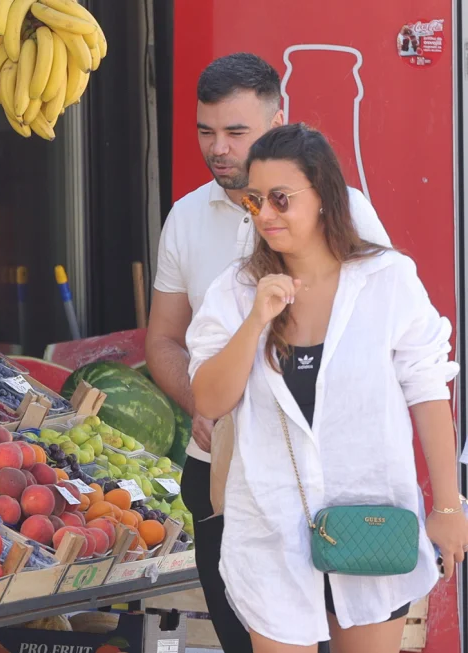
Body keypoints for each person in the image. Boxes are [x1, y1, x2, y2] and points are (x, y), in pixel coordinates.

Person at [186, 122, 468, 652]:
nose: (265, 214)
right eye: (255, 200)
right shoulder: (235, 291)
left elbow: (428, 392)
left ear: (324, 198)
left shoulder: (387, 280)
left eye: (281, 199)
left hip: (371, 524)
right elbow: (210, 400)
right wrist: (256, 322)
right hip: (272, 536)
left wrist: (449, 508)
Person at [144, 53, 391, 653]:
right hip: (223, 479)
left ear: (279, 119)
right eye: (206, 131)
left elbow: (383, 343)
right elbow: (163, 340)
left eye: (236, 131)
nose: (218, 148)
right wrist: (200, 403)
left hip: (324, 487)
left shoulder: (345, 211)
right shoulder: (185, 217)